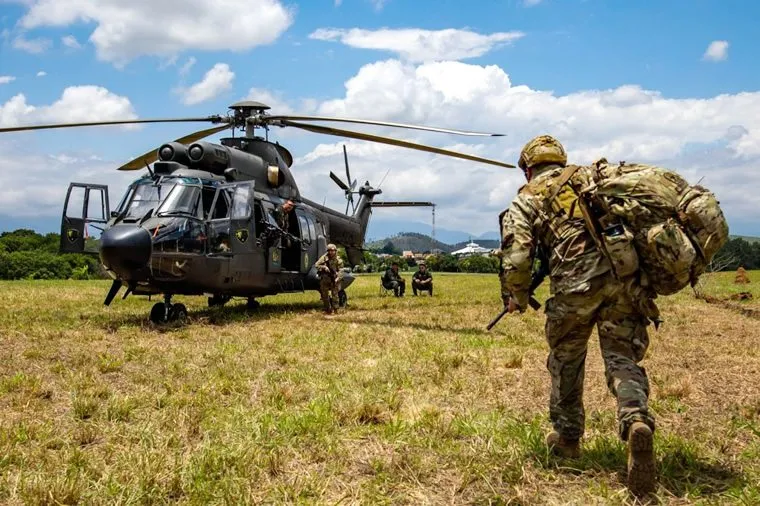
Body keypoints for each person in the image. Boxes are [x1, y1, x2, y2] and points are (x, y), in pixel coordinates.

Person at [498, 135, 656, 497]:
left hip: (575, 287)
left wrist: (517, 296)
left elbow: (518, 254)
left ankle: (568, 439)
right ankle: (635, 420)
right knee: (621, 358)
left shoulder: (528, 197)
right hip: (624, 278)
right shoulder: (592, 180)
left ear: (527, 167)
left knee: (567, 360)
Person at [314, 243, 343, 314]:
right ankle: (328, 309)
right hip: (325, 278)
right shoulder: (324, 258)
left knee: (335, 295)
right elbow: (316, 265)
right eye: (329, 250)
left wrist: (337, 279)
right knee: (324, 295)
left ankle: (336, 309)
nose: (331, 252)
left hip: (334, 279)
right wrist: (324, 267)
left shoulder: (338, 260)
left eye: (332, 250)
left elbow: (341, 271)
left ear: (335, 251)